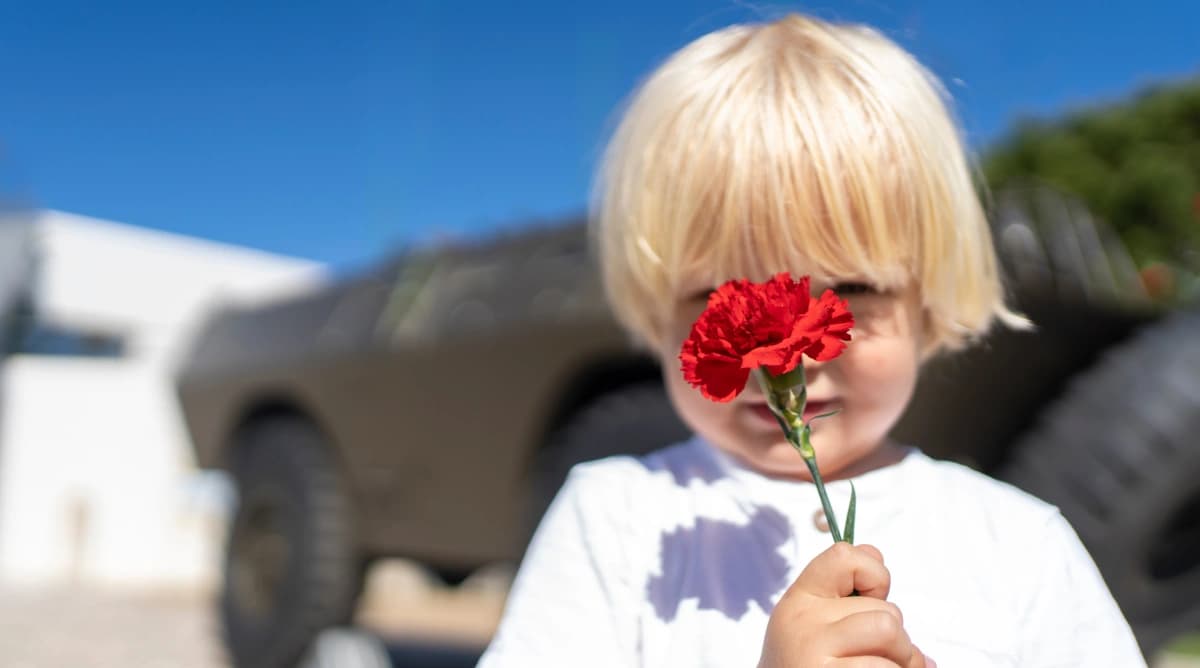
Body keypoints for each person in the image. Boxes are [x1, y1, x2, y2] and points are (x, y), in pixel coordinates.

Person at [478, 13, 1145, 668]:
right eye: (719, 298)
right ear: (658, 315)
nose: (790, 354)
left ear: (928, 302)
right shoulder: (614, 520)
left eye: (849, 290)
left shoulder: (1020, 544)